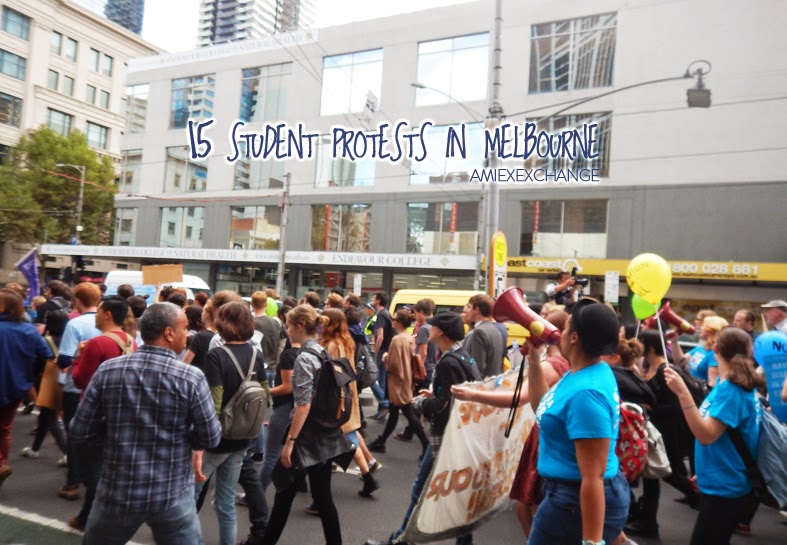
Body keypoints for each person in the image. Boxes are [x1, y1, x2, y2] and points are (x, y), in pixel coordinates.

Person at [69, 302, 221, 545]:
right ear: (169, 333)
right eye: (184, 328)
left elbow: (79, 430)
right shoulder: (190, 377)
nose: (188, 334)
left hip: (117, 491)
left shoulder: (108, 371)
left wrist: (112, 437)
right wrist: (185, 437)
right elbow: (211, 437)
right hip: (172, 494)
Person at [364, 311, 481, 545]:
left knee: (421, 489)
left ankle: (402, 540)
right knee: (454, 495)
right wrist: (436, 394)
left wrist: (420, 402)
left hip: (446, 434)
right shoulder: (463, 355)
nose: (429, 328)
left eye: (434, 326)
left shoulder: (448, 361)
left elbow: (441, 405)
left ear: (442, 332)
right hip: (460, 432)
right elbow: (455, 394)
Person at [452, 311, 570, 540]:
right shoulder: (565, 363)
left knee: (529, 505)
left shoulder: (550, 365)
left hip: (543, 438)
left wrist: (473, 395)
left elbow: (520, 398)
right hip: (549, 436)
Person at [526, 300, 629, 545]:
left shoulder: (586, 394)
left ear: (573, 338)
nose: (558, 333)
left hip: (573, 502)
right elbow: (543, 407)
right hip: (568, 496)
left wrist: (592, 541)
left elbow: (593, 475)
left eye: (565, 328)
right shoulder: (584, 372)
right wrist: (533, 360)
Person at [260, 304, 351, 545]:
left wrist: (290, 441)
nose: (287, 330)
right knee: (322, 498)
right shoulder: (323, 352)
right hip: (324, 433)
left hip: (305, 436)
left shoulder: (304, 358)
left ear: (299, 327)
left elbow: (303, 405)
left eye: (289, 326)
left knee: (284, 492)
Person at [663, 327, 764, 545]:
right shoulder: (726, 383)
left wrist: (682, 393)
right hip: (720, 481)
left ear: (716, 349)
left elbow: (706, 435)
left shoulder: (733, 390)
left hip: (727, 487)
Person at [194, 301, 267, 545]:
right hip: (243, 436)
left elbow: (213, 402)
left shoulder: (217, 355)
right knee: (226, 503)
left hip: (217, 439)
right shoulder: (257, 354)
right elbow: (264, 394)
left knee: (189, 497)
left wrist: (202, 440)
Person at [67, 296, 135, 532]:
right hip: (119, 410)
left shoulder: (97, 343)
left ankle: (96, 515)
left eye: (98, 311)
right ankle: (87, 515)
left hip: (93, 410)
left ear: (107, 315)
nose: (94, 315)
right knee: (104, 465)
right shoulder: (130, 341)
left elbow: (79, 379)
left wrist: (77, 356)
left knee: (89, 469)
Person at [626, 331, 699, 538]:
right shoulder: (648, 368)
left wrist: (650, 408)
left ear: (649, 348)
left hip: (668, 430)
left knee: (669, 473)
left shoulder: (665, 370)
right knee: (651, 475)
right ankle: (648, 522)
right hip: (655, 429)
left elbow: (675, 406)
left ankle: (699, 498)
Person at [319, 308, 380, 498]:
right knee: (349, 433)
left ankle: (368, 476)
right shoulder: (346, 341)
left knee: (345, 435)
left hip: (337, 396)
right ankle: (368, 475)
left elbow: (330, 373)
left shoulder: (332, 345)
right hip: (348, 391)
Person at [0, 289, 53, 491]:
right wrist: (30, 375)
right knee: (4, 429)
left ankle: (1, 465)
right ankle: (2, 463)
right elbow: (45, 354)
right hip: (17, 385)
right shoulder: (29, 329)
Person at [56, 282, 102, 501]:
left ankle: (73, 482)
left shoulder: (74, 324)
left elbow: (64, 359)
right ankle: (94, 479)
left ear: (77, 301)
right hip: (103, 387)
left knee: (75, 434)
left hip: (77, 386)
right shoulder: (109, 322)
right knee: (98, 435)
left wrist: (77, 353)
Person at [369, 310, 430, 458]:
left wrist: (385, 357)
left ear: (400, 322)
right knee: (395, 412)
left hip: (397, 381)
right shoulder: (408, 337)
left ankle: (427, 445)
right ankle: (382, 441)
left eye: (394, 319)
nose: (392, 321)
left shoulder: (397, 340)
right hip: (405, 379)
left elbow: (394, 364)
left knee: (408, 413)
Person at [20, 309, 69, 463]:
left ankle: (68, 453)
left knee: (50, 415)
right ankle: (35, 448)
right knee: (45, 417)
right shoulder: (71, 339)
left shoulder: (44, 340)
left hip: (48, 382)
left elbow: (36, 363)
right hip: (68, 380)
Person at [671, 315, 728, 387]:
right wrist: (674, 341)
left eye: (704, 326)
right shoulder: (702, 347)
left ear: (711, 330)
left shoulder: (715, 354)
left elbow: (712, 385)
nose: (701, 328)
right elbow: (681, 361)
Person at [462, 294, 505, 378]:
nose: (467, 310)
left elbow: (477, 367)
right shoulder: (495, 329)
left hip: (481, 385)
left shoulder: (479, 331)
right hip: (493, 382)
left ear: (477, 310)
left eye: (470, 307)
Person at [252, 291, 287, 385]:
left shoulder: (250, 323)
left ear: (252, 304)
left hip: (256, 370)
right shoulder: (277, 322)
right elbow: (283, 344)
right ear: (266, 304)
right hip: (273, 368)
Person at [370, 291, 393, 420]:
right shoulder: (387, 314)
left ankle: (384, 404)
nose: (372, 299)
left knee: (371, 378)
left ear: (378, 301)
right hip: (388, 350)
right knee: (382, 380)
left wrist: (376, 352)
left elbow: (380, 336)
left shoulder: (380, 315)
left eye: (374, 297)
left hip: (382, 349)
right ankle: (381, 412)